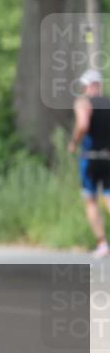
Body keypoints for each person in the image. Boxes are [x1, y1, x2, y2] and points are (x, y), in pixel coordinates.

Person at [68, 68, 110, 258]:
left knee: (91, 201)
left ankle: (102, 244)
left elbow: (83, 125)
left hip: (91, 157)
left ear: (86, 86)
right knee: (108, 198)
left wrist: (73, 142)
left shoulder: (83, 102)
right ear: (99, 85)